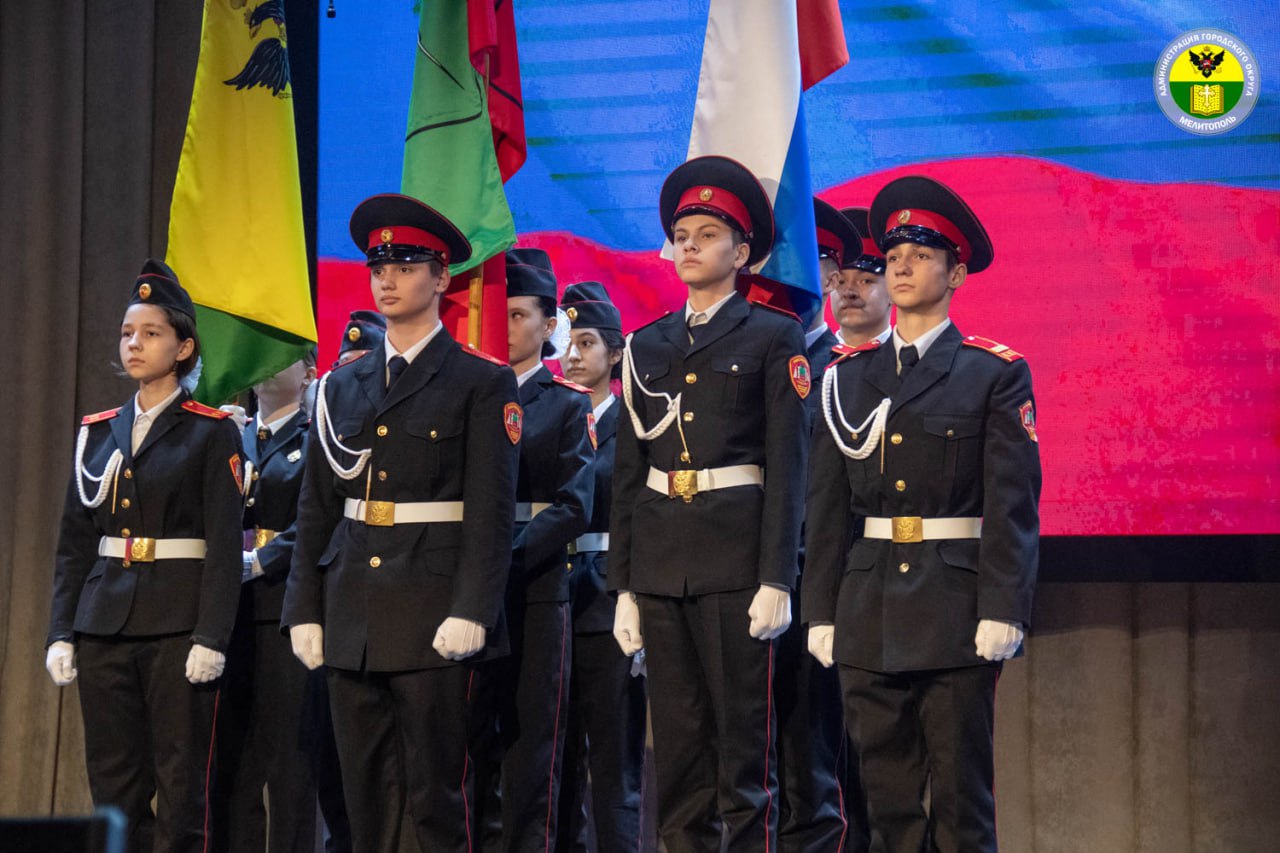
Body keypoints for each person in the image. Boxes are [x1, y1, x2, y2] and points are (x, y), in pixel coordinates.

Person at [804, 176, 1042, 853]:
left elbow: (1013, 504)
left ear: (956, 273)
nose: (902, 266)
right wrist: (820, 611)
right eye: (894, 255)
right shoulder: (846, 376)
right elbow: (827, 508)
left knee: (964, 806)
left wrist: (1005, 607)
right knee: (888, 810)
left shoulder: (993, 372)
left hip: (954, 607)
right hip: (868, 607)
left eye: (921, 254)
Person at [281, 193, 521, 853]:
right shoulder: (341, 385)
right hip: (353, 611)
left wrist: (473, 608)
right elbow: (317, 506)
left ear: (442, 278)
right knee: (362, 799)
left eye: (406, 266)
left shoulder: (480, 381)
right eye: (378, 266)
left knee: (436, 798)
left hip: (434, 610)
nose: (386, 279)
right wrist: (304, 608)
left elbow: (492, 511)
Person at [609, 155, 809, 851]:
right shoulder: (645, 344)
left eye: (707, 234)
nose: (689, 246)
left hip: (736, 564)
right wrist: (624, 586)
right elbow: (629, 474)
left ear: (742, 253)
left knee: (744, 763)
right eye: (681, 235)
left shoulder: (773, 335)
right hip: (662, 565)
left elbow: (789, 465)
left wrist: (777, 576)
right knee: (680, 761)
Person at [46, 258, 244, 853]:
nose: (134, 343)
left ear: (183, 348)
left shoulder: (211, 430)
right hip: (105, 622)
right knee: (113, 782)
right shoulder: (97, 431)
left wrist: (212, 636)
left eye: (151, 333)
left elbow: (224, 545)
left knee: (182, 782)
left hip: (178, 625)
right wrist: (62, 631)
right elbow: (74, 543)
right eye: (128, 333)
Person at [473, 248, 595, 852]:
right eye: (500, 312)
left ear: (549, 327)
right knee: (468, 743)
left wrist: (505, 558)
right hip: (468, 587)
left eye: (519, 314)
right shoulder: (472, 393)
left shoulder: (567, 402)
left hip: (536, 586)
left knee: (532, 750)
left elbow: (574, 504)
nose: (507, 325)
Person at [770, 199, 864, 852]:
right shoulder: (747, 363)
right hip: (746, 579)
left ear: (830, 276)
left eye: (811, 263)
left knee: (820, 760)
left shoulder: (850, 371)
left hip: (826, 583)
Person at [212, 353, 320, 853]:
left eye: (283, 355)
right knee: (231, 759)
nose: (267, 363)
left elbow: (318, 519)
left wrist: (262, 559)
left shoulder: (316, 438)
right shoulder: (227, 435)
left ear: (309, 374)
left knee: (289, 761)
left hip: (284, 608)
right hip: (227, 610)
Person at [555, 281, 648, 852]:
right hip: (552, 598)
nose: (573, 354)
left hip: (612, 602)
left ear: (615, 353)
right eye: (567, 342)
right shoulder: (548, 417)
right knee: (554, 761)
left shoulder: (636, 425)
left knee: (615, 761)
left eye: (586, 342)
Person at [833, 206, 892, 348]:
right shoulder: (805, 357)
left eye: (865, 281)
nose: (849, 292)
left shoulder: (912, 359)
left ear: (892, 289)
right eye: (840, 281)